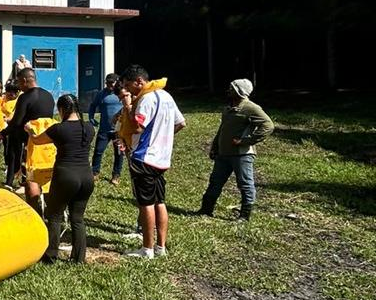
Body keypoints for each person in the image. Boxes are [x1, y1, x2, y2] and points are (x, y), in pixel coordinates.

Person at [118, 65, 186, 260]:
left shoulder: (146, 99)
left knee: (145, 203)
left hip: (144, 157)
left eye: (129, 85)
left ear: (139, 81)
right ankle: (161, 247)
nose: (128, 90)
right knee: (160, 202)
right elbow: (181, 123)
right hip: (162, 159)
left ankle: (147, 249)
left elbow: (138, 126)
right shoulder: (166, 96)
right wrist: (164, 138)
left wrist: (129, 106)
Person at [29, 93, 96, 263]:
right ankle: (79, 258)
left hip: (66, 175)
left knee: (55, 215)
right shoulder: (89, 128)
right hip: (86, 177)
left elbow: (37, 141)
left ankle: (51, 256)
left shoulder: (58, 129)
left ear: (62, 109)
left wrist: (30, 130)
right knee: (78, 219)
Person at [200, 79, 275, 221]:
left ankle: (244, 216)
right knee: (215, 181)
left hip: (242, 155)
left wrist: (246, 141)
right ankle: (206, 210)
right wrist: (215, 146)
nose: (229, 90)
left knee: (245, 184)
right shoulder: (228, 108)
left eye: (232, 88)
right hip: (223, 154)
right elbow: (222, 129)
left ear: (240, 91)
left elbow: (268, 126)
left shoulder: (251, 108)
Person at [3, 67, 56, 207]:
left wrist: (2, 133)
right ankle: (49, 205)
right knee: (45, 171)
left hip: (29, 140)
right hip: (47, 141)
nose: (19, 87)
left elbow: (17, 122)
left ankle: (33, 207)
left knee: (30, 174)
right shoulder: (49, 96)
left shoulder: (25, 97)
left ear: (25, 80)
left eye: (20, 83)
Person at [89, 73, 125, 184]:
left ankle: (116, 175)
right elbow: (93, 105)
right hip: (104, 130)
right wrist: (91, 117)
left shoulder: (122, 94)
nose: (109, 84)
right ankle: (95, 173)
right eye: (107, 82)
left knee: (119, 153)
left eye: (111, 82)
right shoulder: (101, 94)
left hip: (118, 131)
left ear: (117, 82)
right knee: (98, 151)